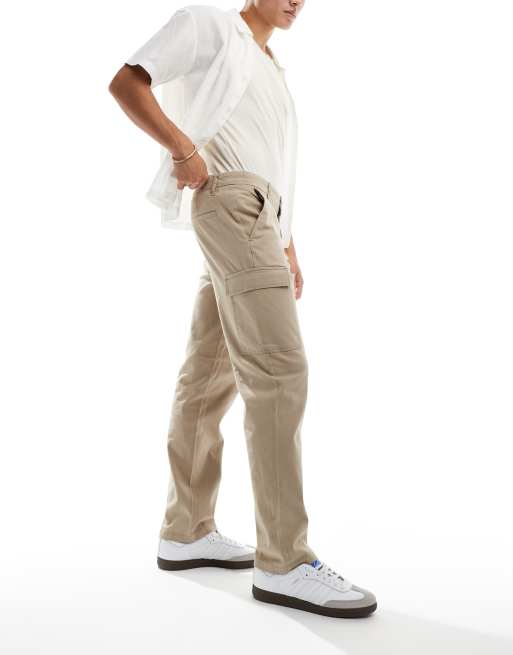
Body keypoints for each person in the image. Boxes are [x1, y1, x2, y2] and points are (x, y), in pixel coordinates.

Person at [108, 0, 377, 618]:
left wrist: (287, 241)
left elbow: (270, 160)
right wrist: (182, 149)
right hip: (230, 200)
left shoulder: (270, 67)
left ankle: (186, 529)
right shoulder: (210, 25)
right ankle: (284, 560)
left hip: (259, 215)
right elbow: (127, 82)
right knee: (280, 371)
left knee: (209, 375)